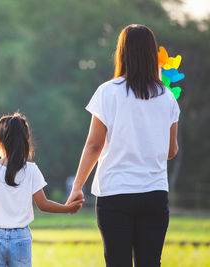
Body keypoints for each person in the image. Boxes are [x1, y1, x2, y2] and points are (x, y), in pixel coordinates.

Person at [66, 24, 180, 267]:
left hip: (115, 194)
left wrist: (77, 186)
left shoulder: (108, 92)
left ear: (122, 52)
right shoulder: (167, 97)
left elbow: (94, 146)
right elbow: (171, 151)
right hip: (154, 193)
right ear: (152, 54)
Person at [0, 113, 84, 267]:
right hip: (21, 237)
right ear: (26, 141)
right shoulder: (32, 170)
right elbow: (43, 204)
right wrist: (67, 209)